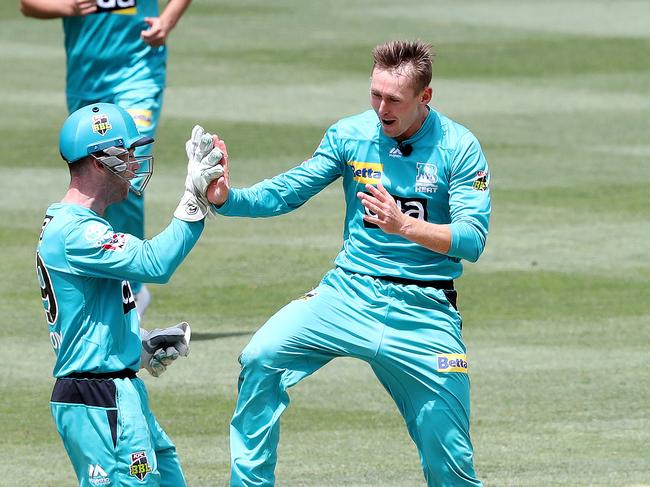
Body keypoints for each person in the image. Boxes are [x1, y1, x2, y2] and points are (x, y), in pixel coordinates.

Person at [205, 40, 491, 486]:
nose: (381, 108)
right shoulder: (351, 134)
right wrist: (227, 197)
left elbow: (472, 241)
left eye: (394, 99)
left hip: (425, 311)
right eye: (375, 94)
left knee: (450, 461)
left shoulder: (460, 146)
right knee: (261, 357)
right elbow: (289, 190)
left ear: (425, 97)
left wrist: (404, 226)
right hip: (348, 293)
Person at [35, 102, 224, 486]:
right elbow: (155, 263)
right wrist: (195, 199)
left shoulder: (79, 225)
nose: (136, 163)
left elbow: (86, 320)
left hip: (114, 390)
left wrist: (138, 347)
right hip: (100, 398)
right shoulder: (76, 233)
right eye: (128, 153)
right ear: (100, 160)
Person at [21, 0, 193, 316]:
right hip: (86, 78)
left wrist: (168, 19)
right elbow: (28, 5)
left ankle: (133, 289)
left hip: (139, 69)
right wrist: (65, 7)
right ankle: (104, 275)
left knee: (126, 163)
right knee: (93, 173)